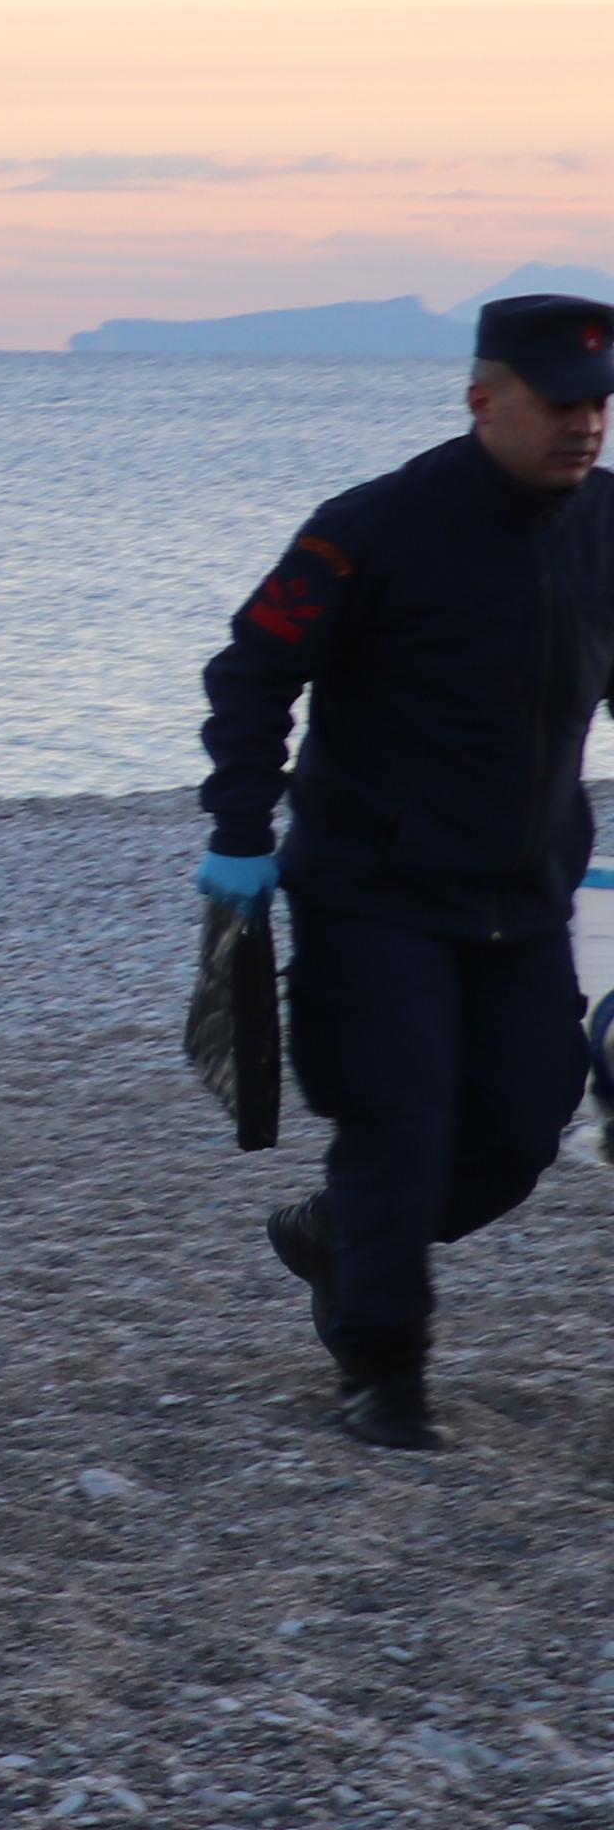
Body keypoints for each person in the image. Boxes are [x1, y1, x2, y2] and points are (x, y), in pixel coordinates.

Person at [199, 289, 614, 1449]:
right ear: (485, 400)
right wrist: (239, 826)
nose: (586, 425)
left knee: (522, 1131)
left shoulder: (609, 525)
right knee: (399, 1122)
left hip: (525, 898)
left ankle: (337, 1236)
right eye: (561, 403)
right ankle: (385, 1376)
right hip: (370, 893)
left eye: (602, 404)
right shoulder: (371, 527)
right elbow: (251, 669)